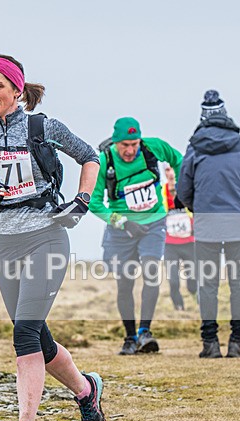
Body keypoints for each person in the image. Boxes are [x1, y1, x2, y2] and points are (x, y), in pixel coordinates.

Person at [0, 54, 104, 421]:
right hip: (2, 244)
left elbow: (90, 156)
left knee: (23, 333)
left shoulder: (44, 127)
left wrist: (82, 201)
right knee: (37, 337)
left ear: (16, 90)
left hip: (46, 238)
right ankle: (87, 391)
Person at [177, 90, 240, 359]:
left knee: (207, 285)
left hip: (206, 225)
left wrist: (200, 209)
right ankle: (237, 343)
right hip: (239, 225)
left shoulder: (194, 148)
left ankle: (210, 345)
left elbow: (183, 191)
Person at [88, 118, 183, 355]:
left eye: (134, 144)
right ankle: (129, 337)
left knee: (152, 273)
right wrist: (123, 222)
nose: (130, 150)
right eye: (125, 146)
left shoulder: (154, 147)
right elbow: (94, 202)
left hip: (154, 223)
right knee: (125, 283)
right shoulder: (104, 162)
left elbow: (179, 161)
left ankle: (145, 333)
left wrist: (181, 188)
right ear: (115, 143)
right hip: (122, 230)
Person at [163, 171, 197, 310]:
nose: (171, 174)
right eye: (167, 170)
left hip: (189, 243)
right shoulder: (161, 193)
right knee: (173, 281)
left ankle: (195, 296)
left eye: (173, 170)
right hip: (169, 245)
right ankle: (179, 307)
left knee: (193, 279)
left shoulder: (188, 189)